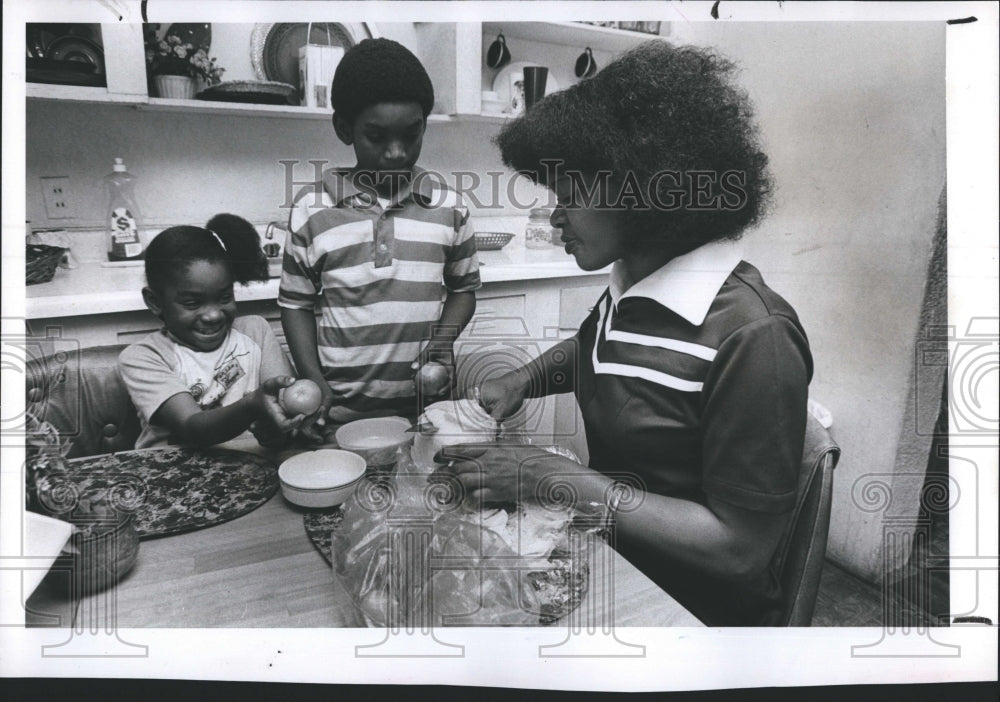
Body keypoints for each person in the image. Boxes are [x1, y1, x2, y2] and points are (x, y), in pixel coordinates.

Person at [435, 41, 812, 627]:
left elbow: (740, 551)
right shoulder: (630, 287)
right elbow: (592, 351)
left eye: (570, 194)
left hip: (690, 614)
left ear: (645, 189)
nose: (554, 215)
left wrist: (553, 476)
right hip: (611, 561)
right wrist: (520, 381)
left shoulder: (755, 338)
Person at [279, 38, 480, 430]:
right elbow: (295, 304)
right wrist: (313, 379)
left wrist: (443, 340)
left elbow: (464, 288)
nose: (396, 152)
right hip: (338, 414)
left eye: (411, 134)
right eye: (377, 137)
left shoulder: (450, 206)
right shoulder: (312, 208)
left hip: (423, 411)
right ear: (344, 129)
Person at [119, 214, 303, 449]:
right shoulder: (143, 358)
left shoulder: (256, 331)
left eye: (225, 297)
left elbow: (284, 405)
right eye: (192, 303)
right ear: (155, 302)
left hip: (252, 470)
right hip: (172, 475)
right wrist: (252, 405)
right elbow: (192, 428)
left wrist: (280, 428)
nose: (214, 314)